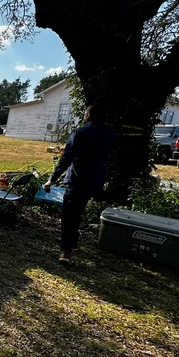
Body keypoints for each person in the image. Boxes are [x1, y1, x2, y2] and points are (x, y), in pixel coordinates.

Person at [43, 105, 115, 265]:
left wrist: (51, 179)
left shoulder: (80, 133)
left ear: (88, 115)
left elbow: (66, 158)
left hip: (78, 179)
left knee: (69, 215)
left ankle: (66, 251)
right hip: (95, 181)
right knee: (77, 212)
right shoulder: (109, 134)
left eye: (85, 113)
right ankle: (73, 242)